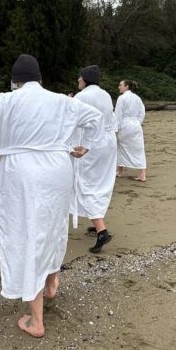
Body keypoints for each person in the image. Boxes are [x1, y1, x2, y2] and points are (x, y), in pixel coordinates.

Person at [0, 54, 101, 338]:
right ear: (39, 78)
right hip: (57, 170)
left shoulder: (7, 101)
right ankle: (51, 283)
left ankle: (36, 320)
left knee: (26, 235)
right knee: (52, 229)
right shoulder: (61, 101)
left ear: (15, 81)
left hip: (21, 174)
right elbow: (96, 118)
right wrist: (85, 145)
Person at [73, 65, 117, 252]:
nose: (78, 80)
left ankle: (101, 229)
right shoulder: (105, 94)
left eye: (80, 77)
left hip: (92, 144)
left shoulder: (82, 97)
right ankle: (97, 218)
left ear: (85, 79)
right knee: (101, 182)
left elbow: (72, 119)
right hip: (108, 143)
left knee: (85, 183)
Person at [114, 78, 146, 182]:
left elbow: (118, 113)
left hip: (126, 124)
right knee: (138, 148)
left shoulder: (121, 98)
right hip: (136, 125)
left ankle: (120, 171)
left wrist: (117, 127)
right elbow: (142, 111)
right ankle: (142, 174)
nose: (119, 87)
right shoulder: (137, 98)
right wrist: (138, 122)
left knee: (122, 147)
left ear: (126, 86)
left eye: (121, 85)